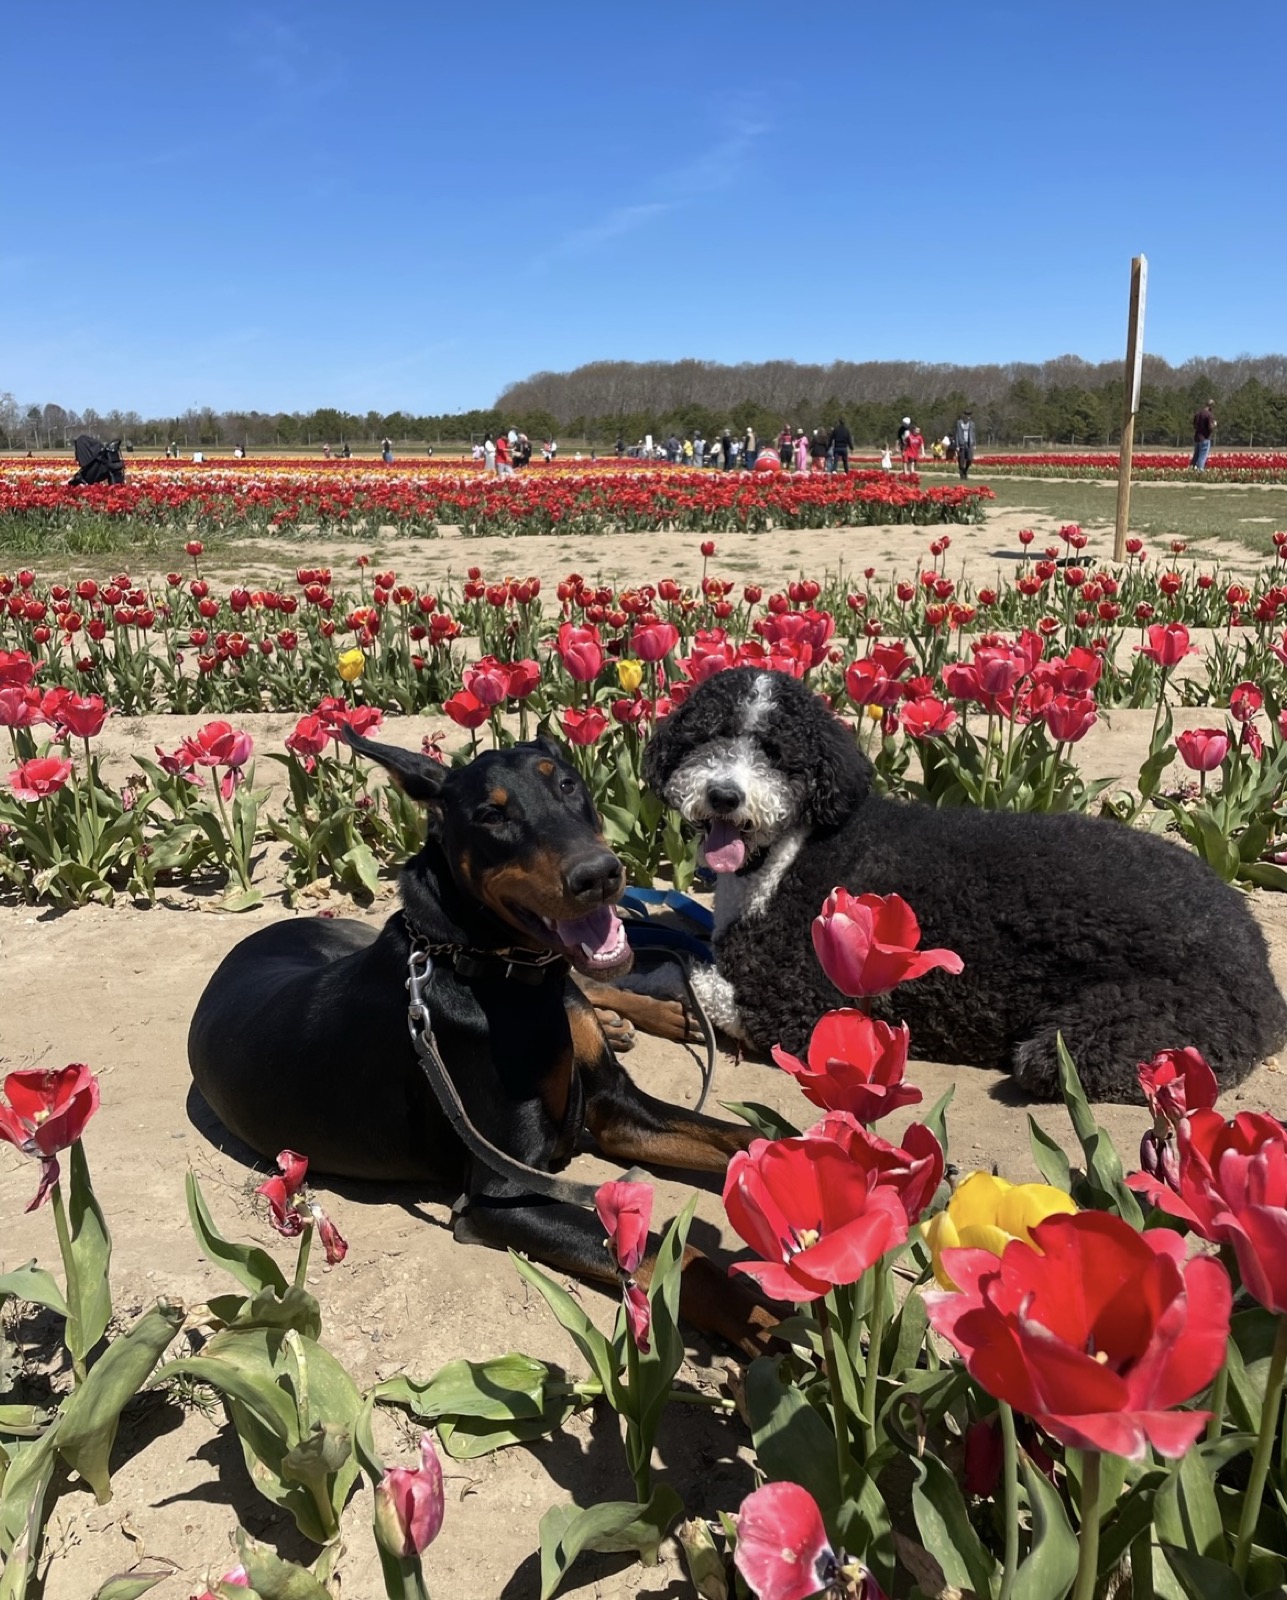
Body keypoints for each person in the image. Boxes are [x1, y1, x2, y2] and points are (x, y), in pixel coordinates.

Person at [1192, 399, 1217, 470]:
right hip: (1205, 438)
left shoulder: (1197, 413)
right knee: (1202, 457)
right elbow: (1210, 427)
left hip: (1197, 438)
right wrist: (1214, 424)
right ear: (1211, 406)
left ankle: (1191, 470)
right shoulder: (1209, 414)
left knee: (1196, 456)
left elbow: (1194, 426)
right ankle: (1200, 471)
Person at [954, 410, 976, 479]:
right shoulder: (959, 423)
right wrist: (957, 445)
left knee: (969, 459)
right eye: (967, 415)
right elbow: (957, 434)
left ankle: (965, 470)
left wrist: (974, 443)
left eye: (969, 415)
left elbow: (973, 434)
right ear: (964, 415)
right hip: (961, 444)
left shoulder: (972, 423)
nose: (968, 417)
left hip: (969, 443)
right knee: (961, 460)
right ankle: (962, 473)